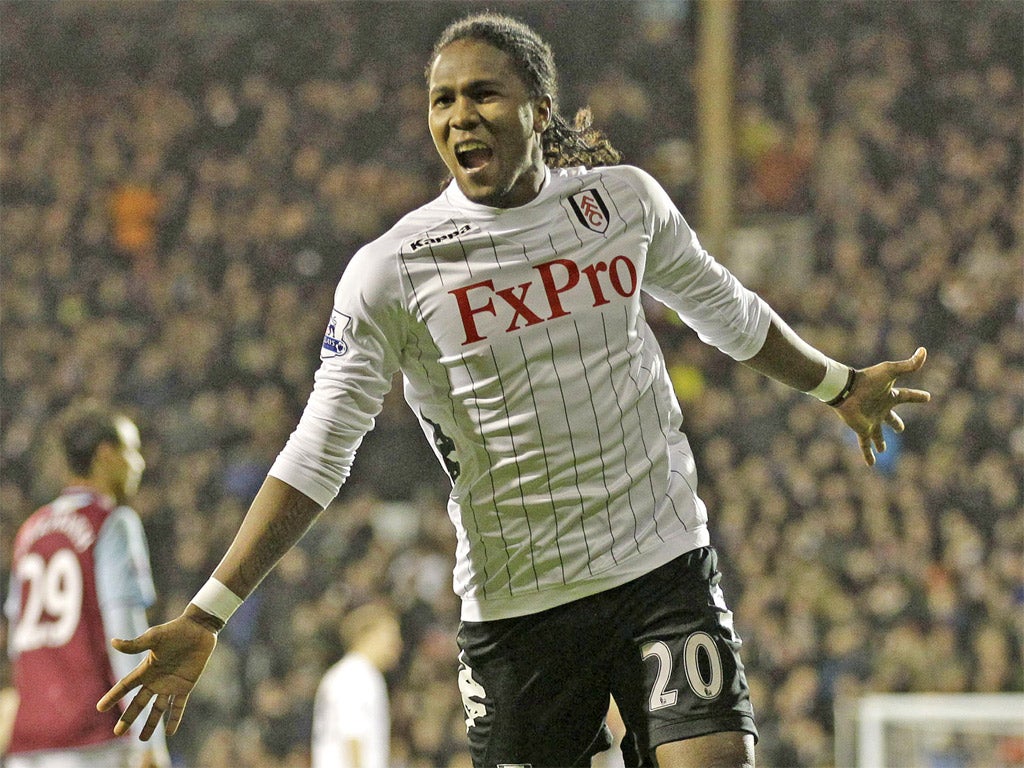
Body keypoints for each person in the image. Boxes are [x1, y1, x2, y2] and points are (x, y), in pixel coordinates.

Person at [97, 12, 930, 768]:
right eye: (442, 101)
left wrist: (838, 383)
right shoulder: (392, 270)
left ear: (538, 108)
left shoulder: (622, 204)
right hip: (518, 608)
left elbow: (728, 312)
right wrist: (209, 611)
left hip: (662, 564)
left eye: (483, 94)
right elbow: (320, 448)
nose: (459, 115)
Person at [4, 402, 170, 768]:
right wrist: (149, 741)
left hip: (29, 739)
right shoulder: (112, 522)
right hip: (92, 737)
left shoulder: (30, 530)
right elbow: (127, 641)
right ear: (106, 455)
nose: (139, 464)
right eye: (132, 451)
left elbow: (17, 644)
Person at [311, 602, 403, 768]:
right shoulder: (358, 675)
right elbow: (352, 735)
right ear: (368, 634)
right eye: (391, 634)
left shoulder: (344, 672)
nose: (398, 644)